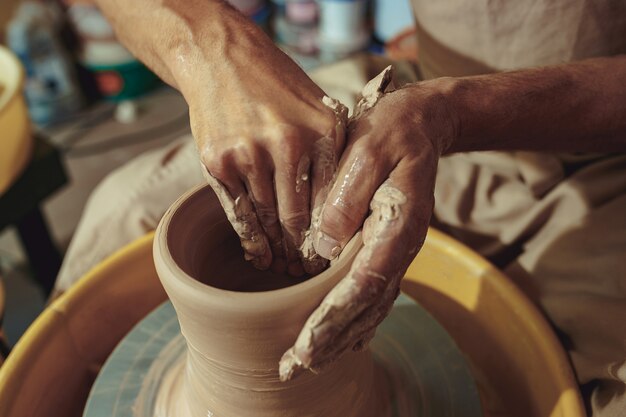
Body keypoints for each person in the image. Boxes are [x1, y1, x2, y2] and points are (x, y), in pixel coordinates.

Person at [56, 0, 626, 414]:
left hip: (593, 150)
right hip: (413, 90)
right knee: (123, 210)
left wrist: (451, 113)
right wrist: (210, 44)